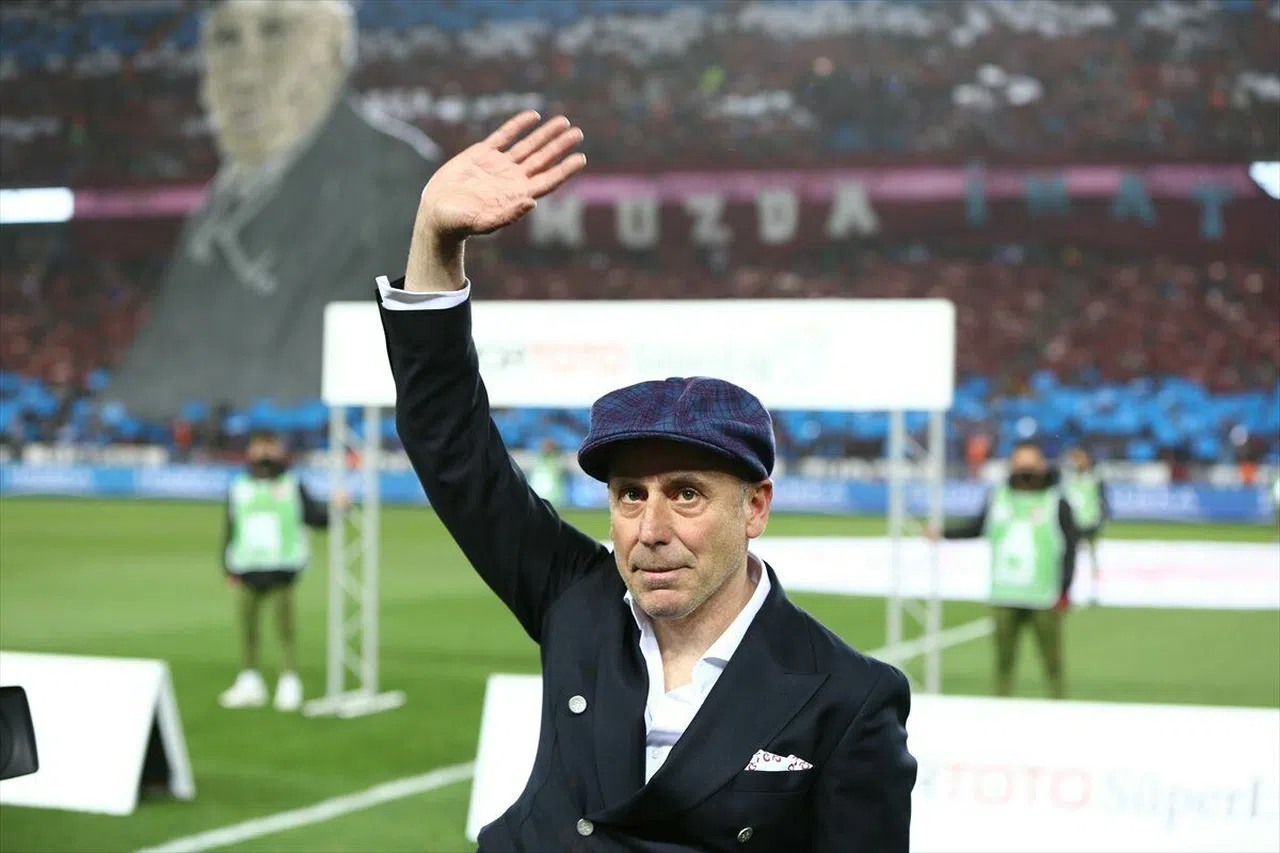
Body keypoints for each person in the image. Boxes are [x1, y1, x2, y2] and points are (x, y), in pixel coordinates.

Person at [375, 112, 915, 852]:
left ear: (755, 506)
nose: (651, 530)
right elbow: (452, 448)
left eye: (686, 492)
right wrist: (435, 241)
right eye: (631, 494)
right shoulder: (577, 600)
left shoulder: (848, 695)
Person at [107, 0, 438, 418]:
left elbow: (302, 378)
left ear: (333, 51)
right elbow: (146, 376)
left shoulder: (393, 181)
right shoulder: (213, 212)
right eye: (227, 39)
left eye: (276, 32)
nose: (243, 74)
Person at [928, 439, 1079, 700]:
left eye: (1030, 463)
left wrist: (1065, 588)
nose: (1025, 469)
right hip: (1004, 594)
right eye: (1020, 463)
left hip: (1043, 596)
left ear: (1042, 466)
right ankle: (1000, 707)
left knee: (1052, 663)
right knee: (1003, 663)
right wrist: (943, 533)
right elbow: (976, 527)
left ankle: (1059, 705)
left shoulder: (1056, 501)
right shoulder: (998, 497)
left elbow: (1070, 548)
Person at [218, 429, 347, 711]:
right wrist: (227, 566)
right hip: (247, 568)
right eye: (259, 446)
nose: (264, 453)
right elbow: (231, 526)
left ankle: (289, 680)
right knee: (248, 629)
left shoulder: (292, 484)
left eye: (269, 446)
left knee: (284, 630)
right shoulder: (239, 485)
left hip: (281, 570)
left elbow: (314, 518)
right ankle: (249, 679)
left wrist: (338, 509)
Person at [1061, 446, 1109, 605]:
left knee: (1092, 557)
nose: (1077, 461)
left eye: (1080, 457)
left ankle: (1094, 591)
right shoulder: (1068, 477)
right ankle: (1070, 591)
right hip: (1073, 523)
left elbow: (1102, 500)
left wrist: (1101, 519)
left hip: (1090, 523)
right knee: (1070, 557)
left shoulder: (1095, 477)